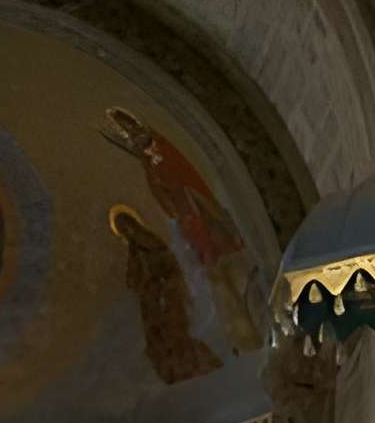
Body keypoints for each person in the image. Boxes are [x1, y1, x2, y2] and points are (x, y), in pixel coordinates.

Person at [103, 108, 262, 348]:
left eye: (134, 132)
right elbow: (163, 198)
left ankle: (257, 328)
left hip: (201, 215)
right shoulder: (149, 166)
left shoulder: (163, 151)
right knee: (221, 285)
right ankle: (244, 340)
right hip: (192, 226)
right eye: (130, 137)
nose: (135, 140)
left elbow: (184, 180)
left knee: (239, 276)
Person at [113, 206, 221, 385]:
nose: (128, 231)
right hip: (152, 300)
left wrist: (164, 285)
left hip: (167, 291)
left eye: (128, 226)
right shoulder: (132, 254)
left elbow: (167, 263)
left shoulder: (153, 244)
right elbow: (134, 281)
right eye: (123, 229)